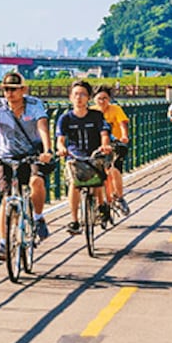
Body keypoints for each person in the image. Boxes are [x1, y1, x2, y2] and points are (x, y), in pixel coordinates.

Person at [0, 72, 54, 261]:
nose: (9, 93)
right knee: (7, 198)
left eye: (13, 89)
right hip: (7, 155)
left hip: (32, 154)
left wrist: (47, 150)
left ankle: (37, 217)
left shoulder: (35, 105)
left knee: (36, 181)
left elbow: (43, 126)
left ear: (23, 90)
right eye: (5, 89)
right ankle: (4, 243)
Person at [56, 80, 113, 234]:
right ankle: (74, 221)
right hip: (75, 156)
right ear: (70, 97)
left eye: (83, 94)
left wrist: (105, 145)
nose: (79, 98)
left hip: (94, 154)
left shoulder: (97, 116)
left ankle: (101, 205)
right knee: (74, 185)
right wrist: (61, 148)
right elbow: (60, 139)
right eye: (76, 94)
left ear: (88, 98)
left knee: (97, 180)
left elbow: (104, 134)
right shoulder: (65, 119)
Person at [92, 86, 131, 215]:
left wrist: (124, 136)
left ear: (109, 99)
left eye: (105, 98)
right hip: (97, 145)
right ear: (93, 99)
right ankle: (98, 203)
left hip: (115, 144)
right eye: (99, 98)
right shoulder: (91, 112)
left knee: (114, 169)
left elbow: (122, 124)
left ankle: (119, 197)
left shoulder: (116, 109)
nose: (102, 101)